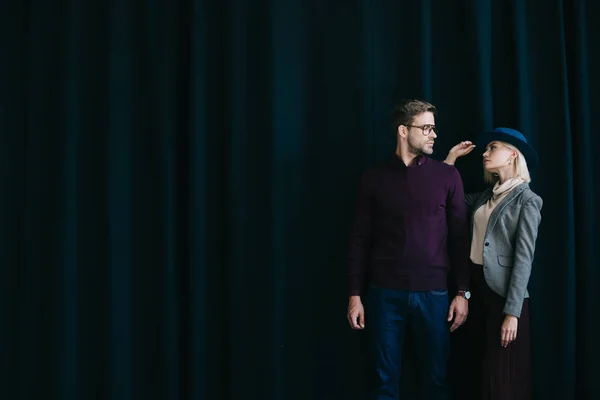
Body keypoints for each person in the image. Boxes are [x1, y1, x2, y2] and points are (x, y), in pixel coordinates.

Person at [346, 99, 471, 400]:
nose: (434, 135)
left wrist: (463, 292)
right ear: (403, 130)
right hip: (384, 294)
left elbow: (459, 237)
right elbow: (359, 238)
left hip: (435, 295)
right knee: (383, 382)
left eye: (434, 128)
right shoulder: (373, 178)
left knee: (435, 381)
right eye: (426, 128)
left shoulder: (447, 176)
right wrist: (354, 295)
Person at [444, 127, 542, 400]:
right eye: (486, 149)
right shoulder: (485, 196)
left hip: (505, 299)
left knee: (505, 379)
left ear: (512, 154)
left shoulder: (528, 200)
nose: (485, 153)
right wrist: (450, 161)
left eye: (492, 147)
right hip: (478, 295)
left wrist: (513, 314)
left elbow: (524, 259)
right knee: (482, 375)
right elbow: (448, 200)